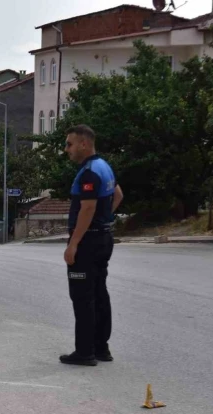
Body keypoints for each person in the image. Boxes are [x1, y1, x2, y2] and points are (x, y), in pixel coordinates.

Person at [60, 125, 124, 366]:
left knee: (82, 296)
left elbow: (87, 208)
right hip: (104, 238)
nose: (67, 149)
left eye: (70, 144)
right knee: (99, 293)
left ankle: (85, 352)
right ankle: (101, 348)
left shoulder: (89, 172)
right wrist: (104, 218)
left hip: (88, 242)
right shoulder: (104, 166)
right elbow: (118, 195)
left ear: (84, 144)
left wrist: (73, 244)